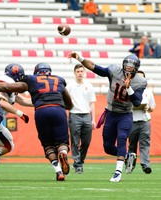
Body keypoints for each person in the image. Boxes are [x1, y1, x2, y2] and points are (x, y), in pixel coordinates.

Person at [68, 52, 147, 182]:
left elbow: (137, 102)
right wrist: (80, 58)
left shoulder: (140, 81)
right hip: (111, 113)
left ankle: (118, 172)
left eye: (131, 67)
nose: (128, 68)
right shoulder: (115, 71)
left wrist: (129, 89)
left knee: (122, 139)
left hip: (125, 114)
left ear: (136, 69)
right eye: (126, 66)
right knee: (108, 147)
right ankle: (128, 156)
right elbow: (95, 67)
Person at [0, 62, 74, 181]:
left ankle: (59, 171)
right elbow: (70, 104)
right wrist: (58, 106)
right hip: (58, 108)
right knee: (62, 142)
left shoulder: (30, 79)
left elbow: (8, 87)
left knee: (48, 145)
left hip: (41, 110)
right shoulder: (59, 80)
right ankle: (63, 152)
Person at [66, 64, 96, 174]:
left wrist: (93, 119)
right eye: (78, 71)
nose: (80, 73)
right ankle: (78, 164)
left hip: (86, 115)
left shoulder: (89, 86)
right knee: (75, 141)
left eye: (81, 71)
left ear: (84, 73)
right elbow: (65, 101)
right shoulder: (70, 86)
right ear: (74, 73)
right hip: (74, 114)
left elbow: (92, 103)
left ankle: (80, 161)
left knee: (86, 142)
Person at [127, 70, 155, 174]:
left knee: (145, 143)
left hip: (145, 120)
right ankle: (130, 164)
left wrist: (148, 107)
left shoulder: (148, 91)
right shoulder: (130, 90)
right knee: (132, 145)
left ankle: (145, 164)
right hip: (132, 120)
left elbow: (153, 107)